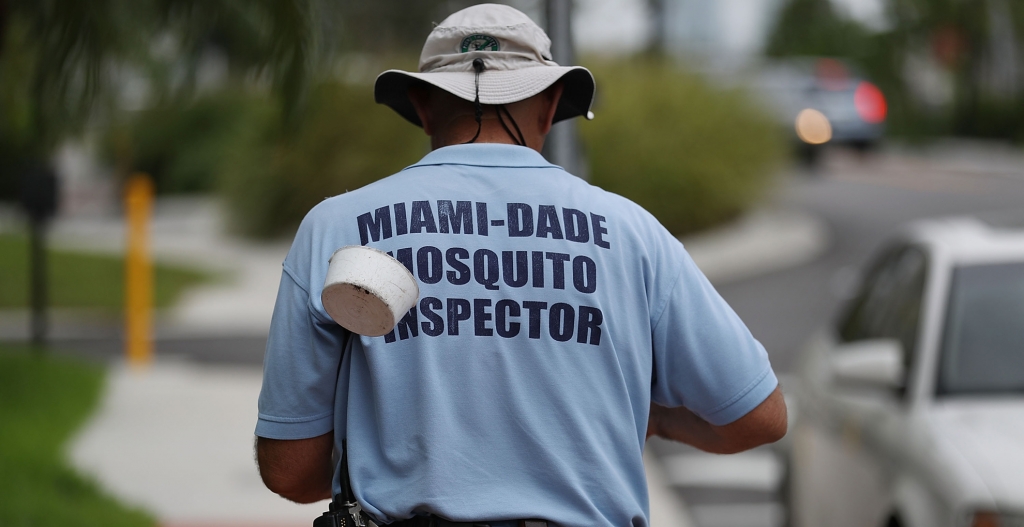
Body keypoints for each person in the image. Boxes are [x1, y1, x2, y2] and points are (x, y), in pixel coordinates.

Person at [254, 4, 786, 527]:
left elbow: (290, 472)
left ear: (422, 104)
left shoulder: (336, 226)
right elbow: (759, 417)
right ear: (552, 104)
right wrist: (655, 421)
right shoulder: (633, 233)